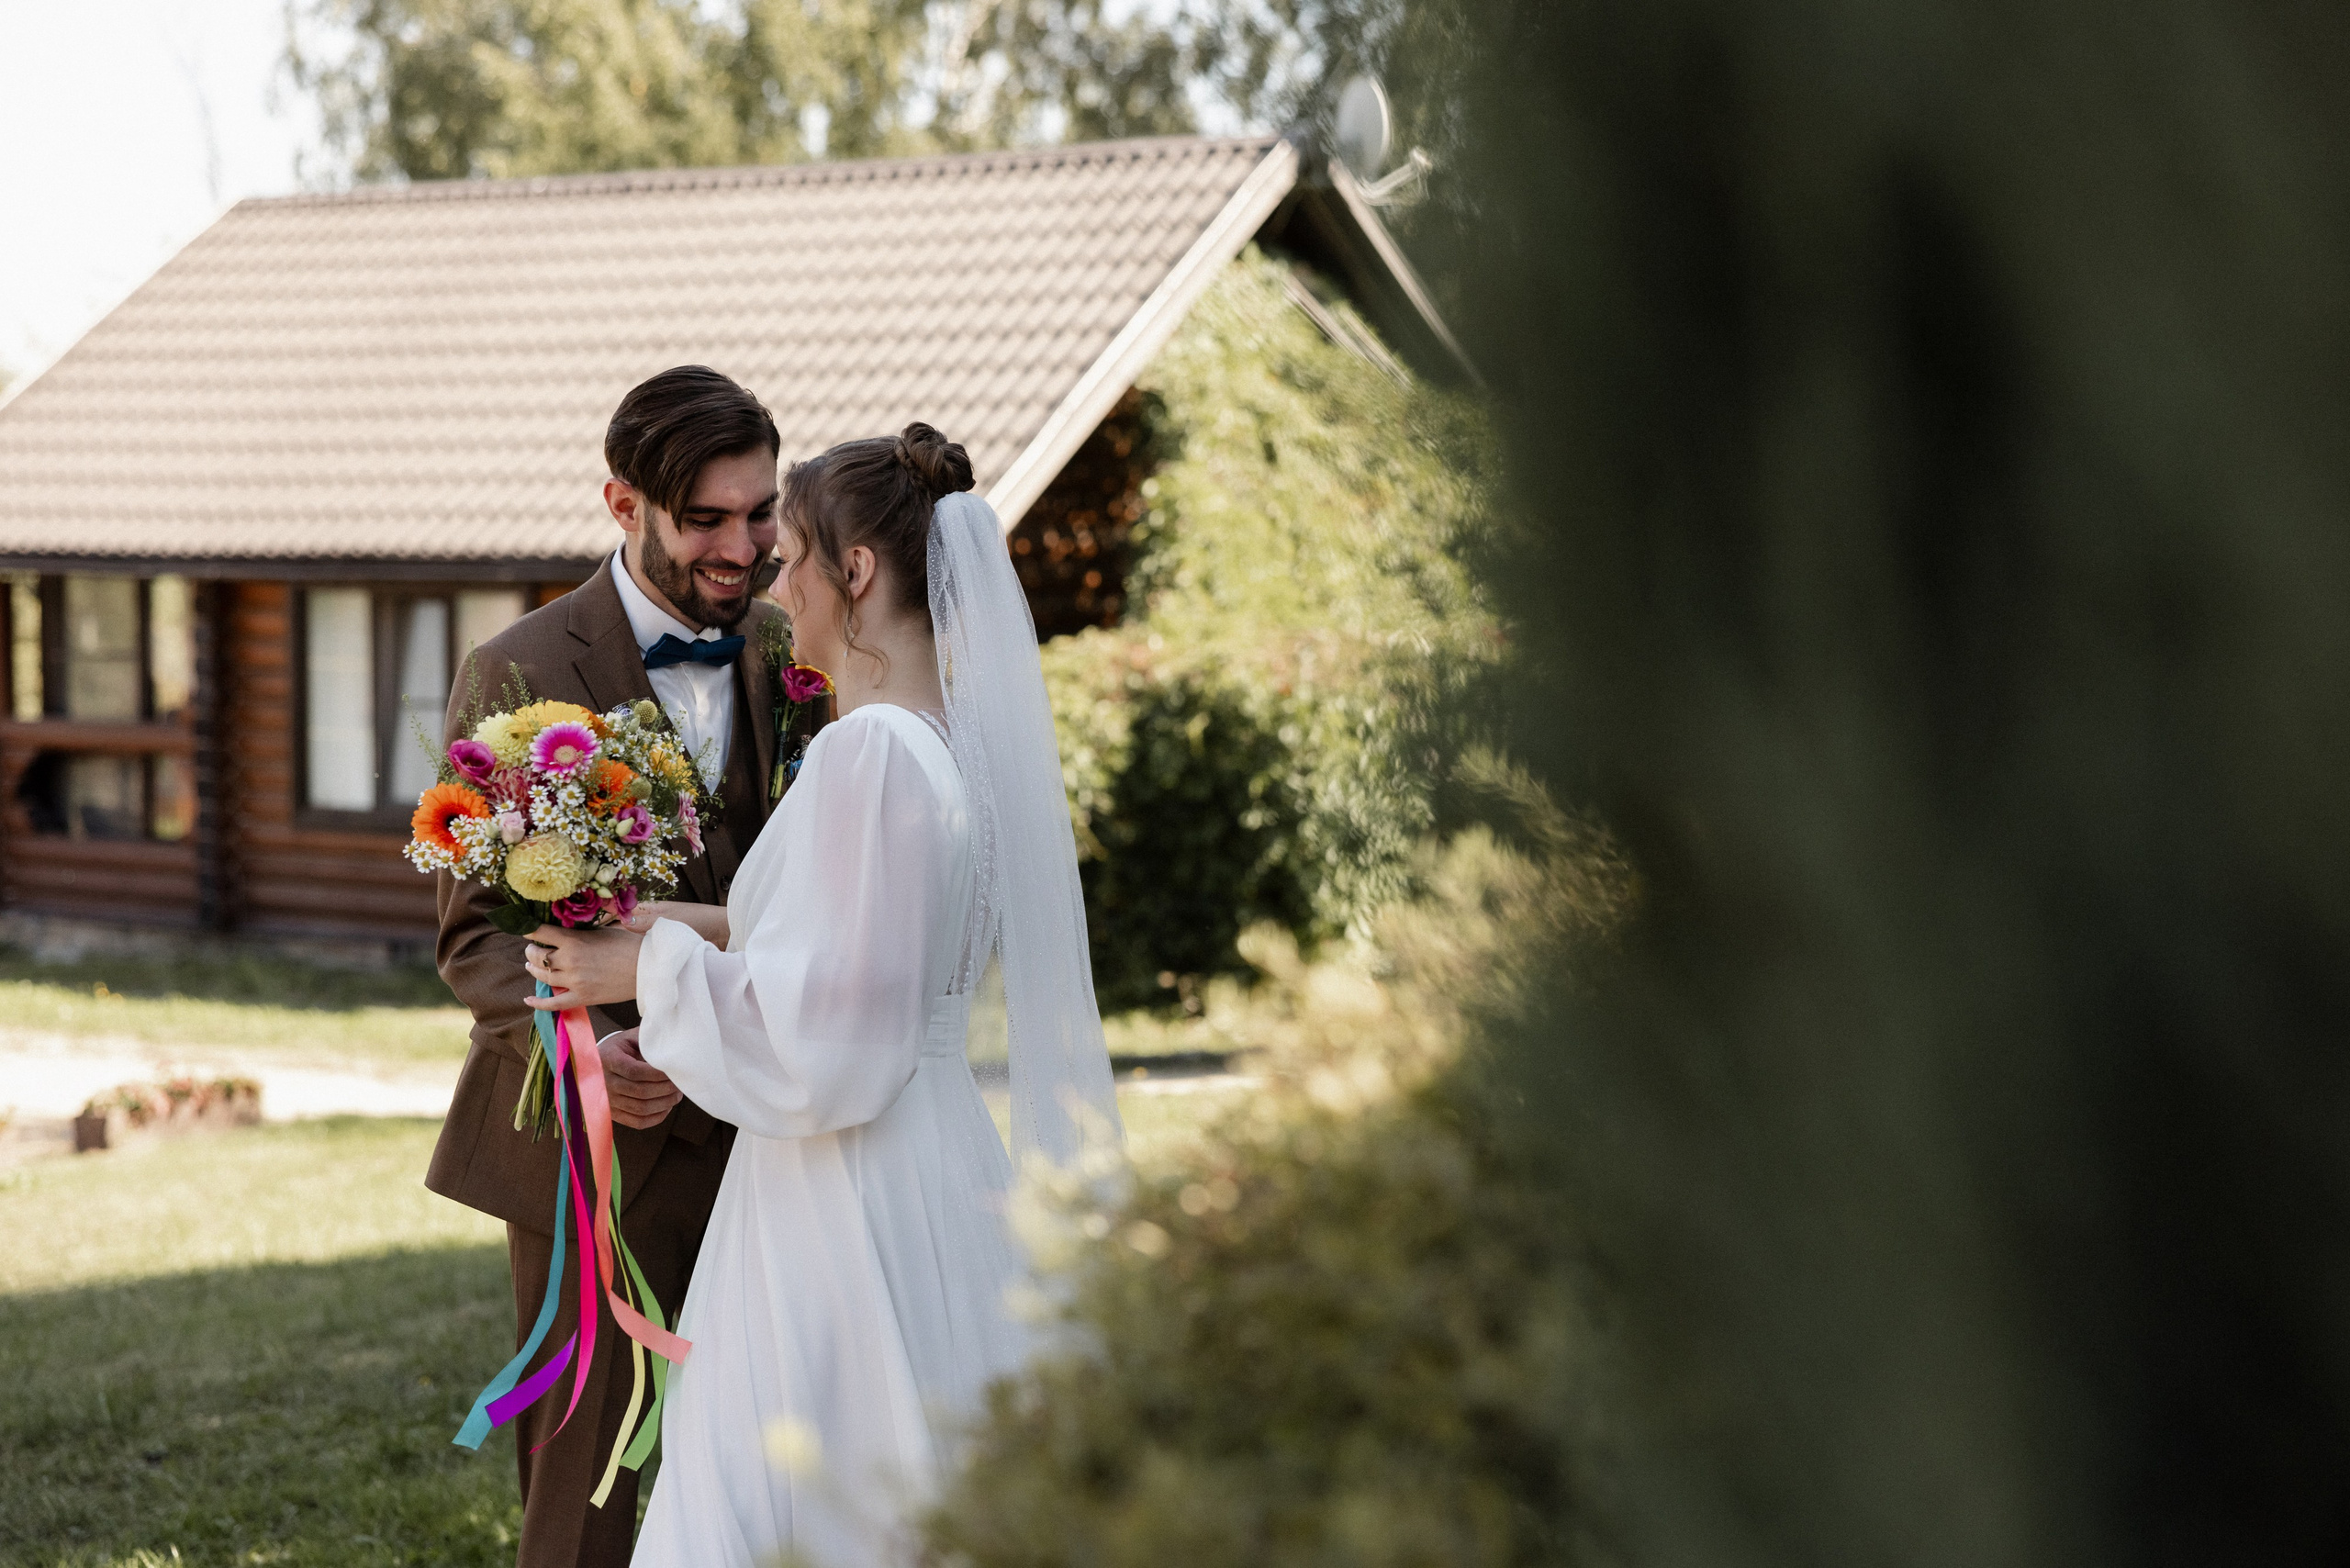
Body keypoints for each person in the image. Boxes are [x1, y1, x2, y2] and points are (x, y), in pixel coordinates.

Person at [521, 422, 1123, 1566]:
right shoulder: (949, 750)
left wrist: (639, 971)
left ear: (855, 572)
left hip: (838, 1187)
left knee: (810, 1493)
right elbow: (824, 945)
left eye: (791, 550)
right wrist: (649, 926)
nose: (771, 579)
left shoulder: (872, 753)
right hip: (929, 1160)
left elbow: (828, 1037)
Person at [429, 364, 804, 1568]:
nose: (743, 546)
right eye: (706, 519)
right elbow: (477, 936)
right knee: (586, 1499)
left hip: (771, 1127)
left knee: (767, 1464)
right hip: (593, 1150)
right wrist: (596, 1049)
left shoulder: (810, 662)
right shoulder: (519, 666)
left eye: (760, 512)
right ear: (620, 503)